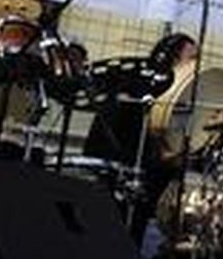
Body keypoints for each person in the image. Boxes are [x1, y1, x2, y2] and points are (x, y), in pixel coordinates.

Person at [84, 31, 199, 242]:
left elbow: (174, 149)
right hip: (118, 181)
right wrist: (163, 157)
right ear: (171, 58)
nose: (196, 67)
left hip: (150, 193)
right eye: (191, 59)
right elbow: (123, 141)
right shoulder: (139, 88)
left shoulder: (183, 101)